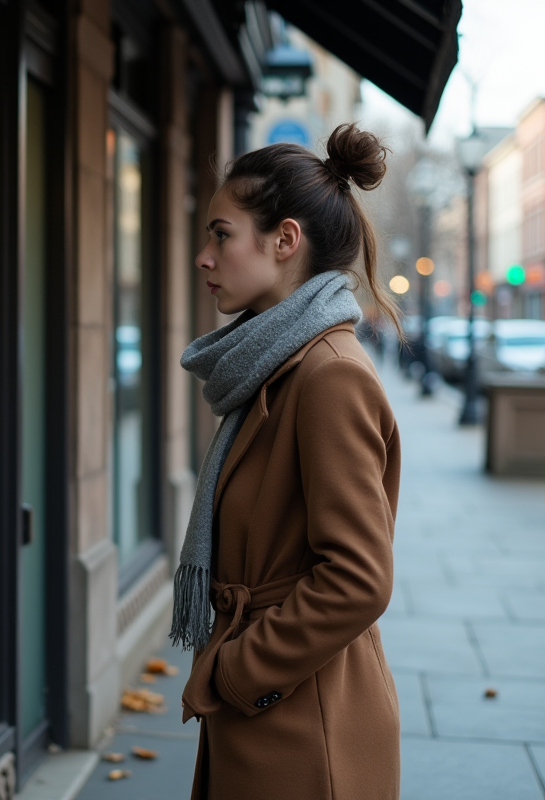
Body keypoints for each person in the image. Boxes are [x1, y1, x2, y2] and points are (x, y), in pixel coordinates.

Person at [175, 123, 402, 799]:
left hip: (304, 727)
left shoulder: (327, 376)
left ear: (284, 241)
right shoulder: (276, 365)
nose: (203, 257)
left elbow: (360, 578)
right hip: (278, 715)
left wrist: (240, 674)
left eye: (221, 233)